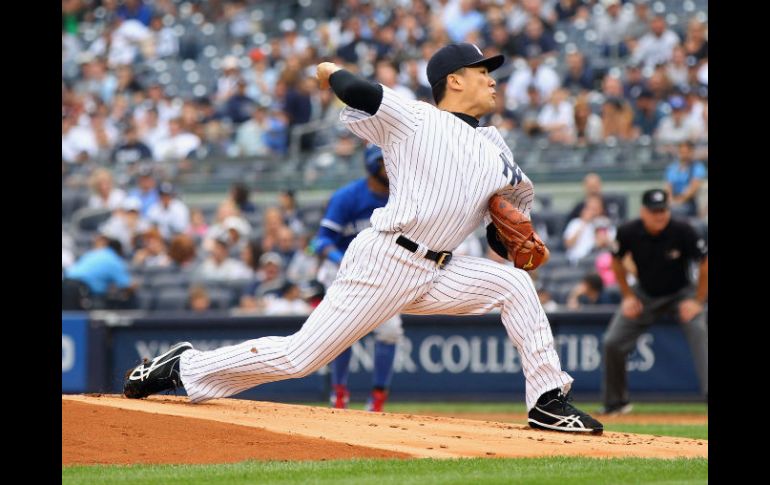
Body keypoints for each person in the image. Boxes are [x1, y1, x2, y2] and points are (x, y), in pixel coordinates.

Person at [124, 43, 604, 435]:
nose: (493, 79)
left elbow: (503, 243)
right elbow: (354, 88)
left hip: (440, 269)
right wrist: (327, 68)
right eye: (482, 71)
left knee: (513, 286)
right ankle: (185, 366)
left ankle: (547, 400)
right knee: (300, 357)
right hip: (387, 260)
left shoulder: (498, 150)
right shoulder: (416, 118)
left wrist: (509, 237)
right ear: (454, 80)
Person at [311, 145, 404, 412]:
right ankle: (338, 392)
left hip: (384, 273)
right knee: (343, 332)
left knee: (390, 331)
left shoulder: (403, 196)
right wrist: (343, 260)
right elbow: (321, 242)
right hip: (343, 270)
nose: (391, 168)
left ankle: (378, 399)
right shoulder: (347, 197)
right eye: (385, 163)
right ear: (372, 165)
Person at [600, 189, 708, 415]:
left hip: (681, 294)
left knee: (699, 330)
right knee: (612, 341)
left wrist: (698, 301)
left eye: (663, 210)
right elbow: (616, 261)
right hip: (645, 295)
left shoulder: (683, 230)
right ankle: (615, 402)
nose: (659, 215)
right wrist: (628, 295)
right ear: (643, 211)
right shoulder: (629, 231)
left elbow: (704, 263)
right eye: (654, 211)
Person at [664, 141, 706, 219]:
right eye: (681, 152)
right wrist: (671, 200)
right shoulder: (672, 168)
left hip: (689, 204)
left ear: (692, 152)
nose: (684, 154)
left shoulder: (697, 167)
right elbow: (668, 187)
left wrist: (679, 201)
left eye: (686, 152)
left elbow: (693, 188)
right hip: (673, 202)